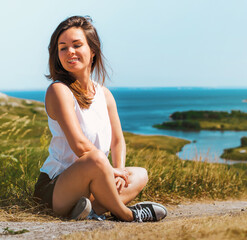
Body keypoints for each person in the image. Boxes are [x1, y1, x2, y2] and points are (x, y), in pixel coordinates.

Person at [33, 16, 167, 222]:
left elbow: (117, 140)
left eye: (77, 45)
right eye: (63, 48)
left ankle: (87, 211)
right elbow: (79, 145)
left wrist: (119, 171)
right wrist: (108, 170)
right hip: (57, 188)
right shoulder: (58, 90)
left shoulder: (104, 94)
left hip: (94, 182)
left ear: (93, 51)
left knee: (140, 174)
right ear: (57, 54)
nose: (70, 51)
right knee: (96, 158)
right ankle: (129, 214)